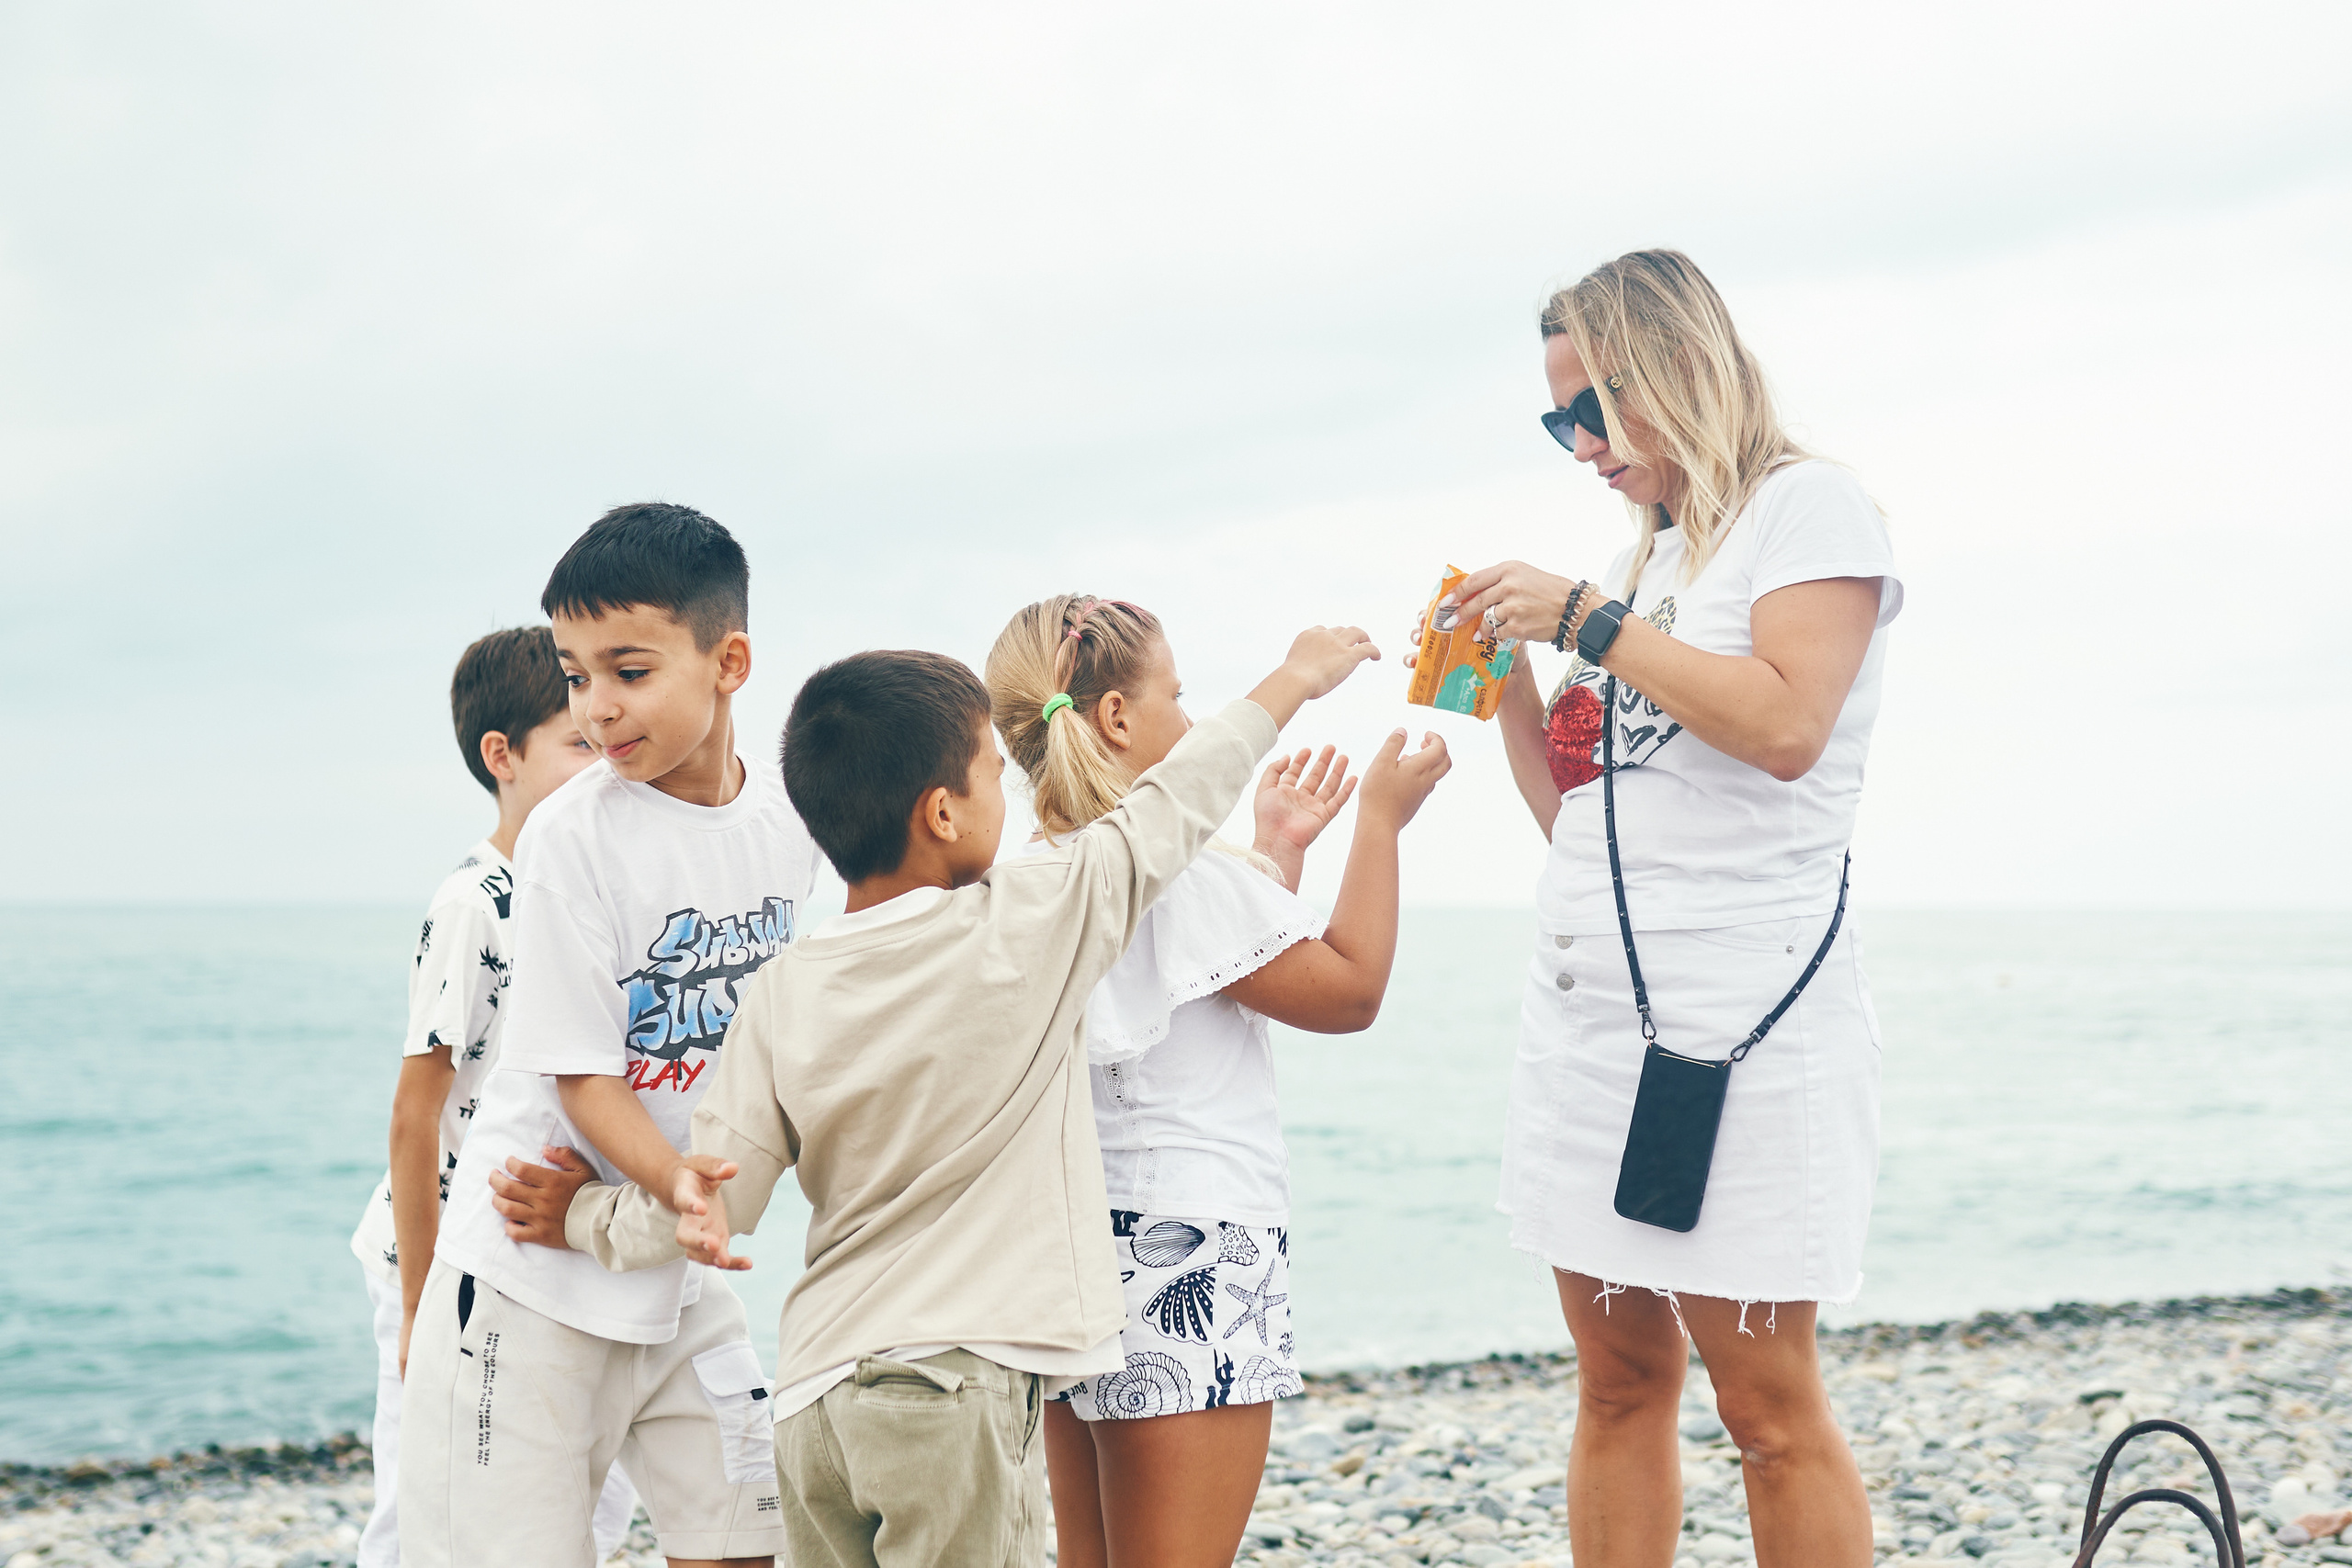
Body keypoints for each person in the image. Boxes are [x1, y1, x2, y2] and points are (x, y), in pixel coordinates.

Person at [560, 624, 1383, 1568]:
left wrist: (585, 1216)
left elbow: (711, 1196)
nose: (1010, 793)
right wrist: (1292, 680)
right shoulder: (1020, 928)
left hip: (815, 1397)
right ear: (943, 814)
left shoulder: (786, 986)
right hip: (946, 1396)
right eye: (993, 773)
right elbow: (1174, 804)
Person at [1431, 250, 1902, 1568]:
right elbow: (1587, 821)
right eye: (1556, 418)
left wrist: (1585, 619)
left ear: (1681, 367)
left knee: (1766, 1403)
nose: (1578, 442)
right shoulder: (1654, 559)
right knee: (1619, 1377)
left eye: (1595, 406)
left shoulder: (1807, 510)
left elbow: (1789, 724)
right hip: (1591, 1016)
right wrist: (1508, 678)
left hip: (1741, 1013)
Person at [982, 594, 1451, 1568]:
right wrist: (1381, 822)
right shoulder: (1177, 872)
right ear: (1116, 717)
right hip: (1195, 1249)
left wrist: (1276, 852)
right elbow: (1348, 990)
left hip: (1074, 1254)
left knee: (1094, 1555)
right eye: (1174, 695)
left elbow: (1188, 984)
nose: (1189, 721)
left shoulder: (1038, 871)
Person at [398, 503, 824, 1568]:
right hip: (529, 1275)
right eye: (574, 675)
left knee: (738, 1542)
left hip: (673, 1269)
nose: (595, 710)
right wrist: (683, 1185)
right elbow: (586, 1082)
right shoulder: (573, 835)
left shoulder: (786, 818)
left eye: (627, 672)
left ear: (729, 661)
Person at [345, 626, 636, 1568]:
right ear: (501, 757)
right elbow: (414, 1111)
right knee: (420, 1499)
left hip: (533, 1249)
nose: (600, 768)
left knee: (577, 1485)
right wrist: (424, 1301)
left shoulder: (578, 891)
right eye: (577, 746)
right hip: (436, 1257)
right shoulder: (479, 902)